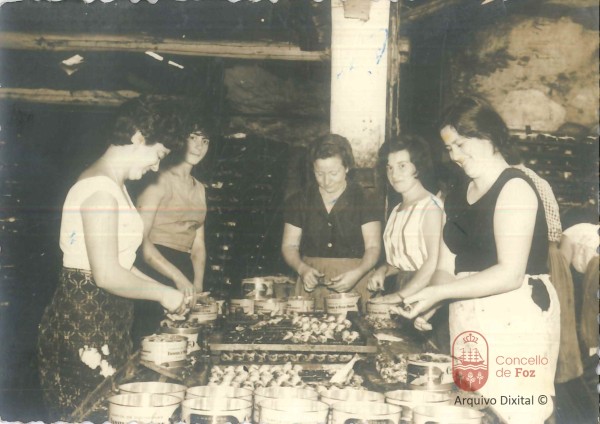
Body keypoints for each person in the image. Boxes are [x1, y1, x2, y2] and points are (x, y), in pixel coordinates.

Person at [397, 97, 560, 424]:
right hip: (468, 317)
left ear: (488, 135)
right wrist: (431, 302)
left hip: (515, 316)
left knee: (517, 411)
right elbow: (446, 267)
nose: (455, 155)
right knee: (473, 410)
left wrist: (440, 293)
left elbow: (510, 273)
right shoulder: (457, 194)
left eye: (461, 144)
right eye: (449, 148)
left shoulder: (515, 187)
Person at [37, 99, 190, 421]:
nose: (156, 167)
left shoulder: (114, 187)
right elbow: (106, 274)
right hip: (82, 330)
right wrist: (164, 294)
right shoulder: (100, 191)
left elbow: (122, 263)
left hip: (105, 323)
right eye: (159, 155)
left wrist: (166, 291)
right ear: (138, 136)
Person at [132, 114, 212, 341]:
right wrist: (178, 278)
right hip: (154, 270)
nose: (199, 146)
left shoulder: (200, 189)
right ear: (179, 139)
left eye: (205, 140)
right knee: (151, 342)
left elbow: (198, 245)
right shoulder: (157, 180)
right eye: (193, 137)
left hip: (184, 271)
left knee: (184, 342)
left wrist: (197, 285)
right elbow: (140, 242)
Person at [281, 134, 382, 310]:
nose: (326, 181)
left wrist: (358, 273)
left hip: (356, 279)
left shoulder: (364, 199)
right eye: (319, 173)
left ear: (347, 167)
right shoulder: (300, 200)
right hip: (311, 282)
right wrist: (302, 269)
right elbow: (289, 246)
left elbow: (373, 247)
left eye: (333, 173)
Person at [367, 135, 445, 333]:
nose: (394, 174)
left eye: (402, 166)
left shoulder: (430, 207)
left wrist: (400, 296)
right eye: (389, 167)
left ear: (417, 166)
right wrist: (383, 270)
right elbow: (403, 261)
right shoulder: (397, 209)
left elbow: (433, 263)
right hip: (401, 289)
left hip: (424, 294)